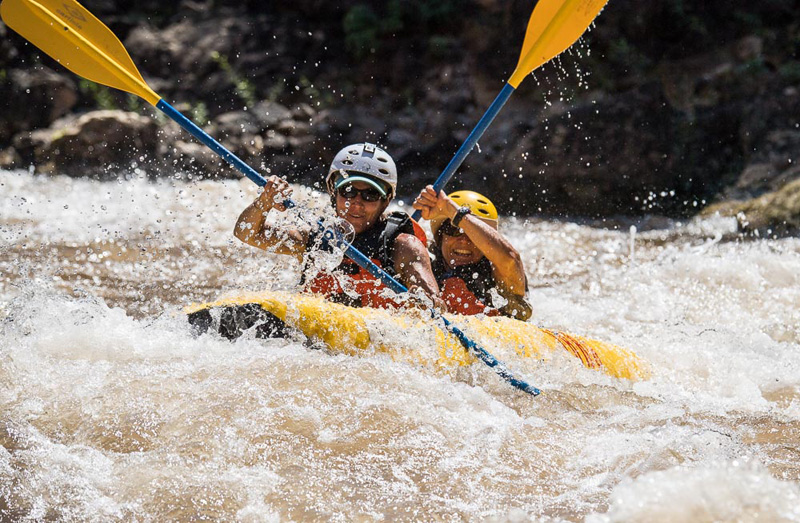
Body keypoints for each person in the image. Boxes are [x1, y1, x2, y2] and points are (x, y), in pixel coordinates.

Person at [234, 142, 440, 310]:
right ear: (334, 193)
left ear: (386, 201)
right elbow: (246, 233)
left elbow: (437, 307)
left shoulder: (404, 247)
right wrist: (265, 202)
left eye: (370, 194)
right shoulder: (314, 239)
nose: (357, 202)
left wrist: (422, 301)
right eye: (348, 191)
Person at [412, 186, 532, 320]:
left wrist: (449, 208)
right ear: (441, 237)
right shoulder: (423, 263)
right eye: (453, 230)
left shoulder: (498, 273)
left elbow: (511, 259)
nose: (463, 240)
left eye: (472, 234)